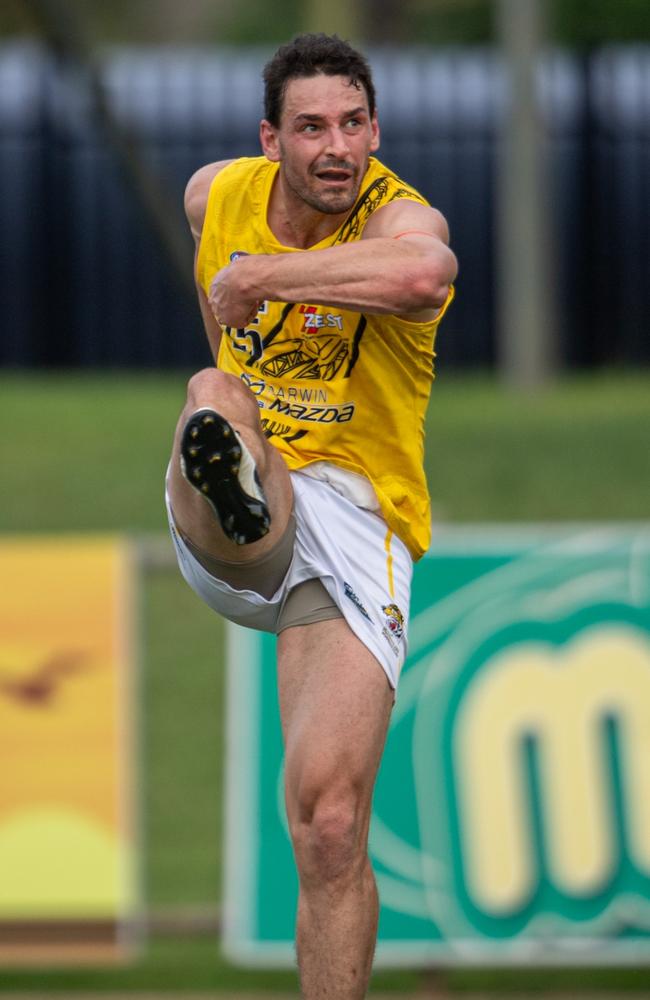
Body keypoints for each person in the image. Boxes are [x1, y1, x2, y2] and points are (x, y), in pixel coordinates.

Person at [166, 32, 457, 1000]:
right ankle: (238, 490)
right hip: (247, 496)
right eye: (310, 127)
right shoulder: (217, 193)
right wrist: (238, 297)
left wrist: (263, 277)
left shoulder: (398, 220)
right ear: (270, 139)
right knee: (215, 385)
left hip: (356, 526)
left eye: (352, 124)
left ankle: (241, 487)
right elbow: (224, 318)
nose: (336, 146)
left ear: (374, 128)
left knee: (328, 824)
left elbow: (424, 276)